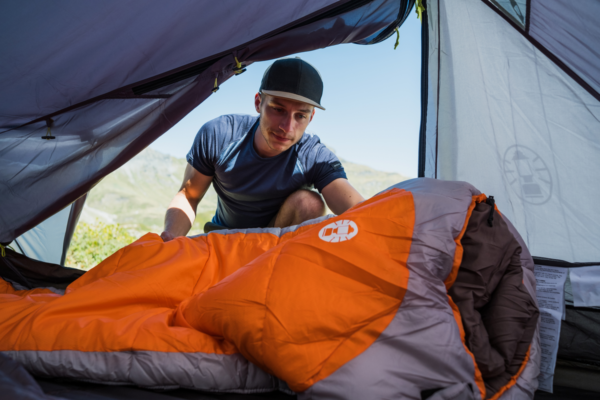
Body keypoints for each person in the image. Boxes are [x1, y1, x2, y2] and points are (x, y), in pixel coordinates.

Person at [161, 58, 364, 242]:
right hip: (223, 238)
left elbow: (361, 212)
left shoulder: (313, 156)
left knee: (309, 203)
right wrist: (170, 237)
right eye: (278, 109)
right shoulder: (219, 134)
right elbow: (189, 196)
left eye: (300, 116)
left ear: (310, 118)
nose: (287, 127)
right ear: (259, 103)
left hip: (274, 246)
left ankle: (278, 273)